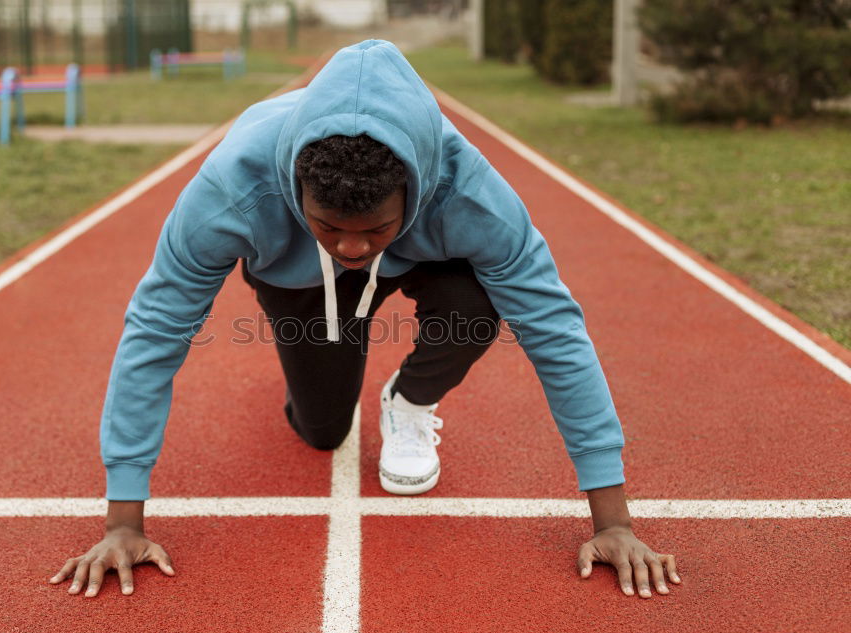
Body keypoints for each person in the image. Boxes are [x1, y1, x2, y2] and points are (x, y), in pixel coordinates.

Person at [49, 39, 681, 600]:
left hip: (426, 258)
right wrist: (123, 524)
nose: (351, 249)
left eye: (373, 228)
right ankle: (312, 337)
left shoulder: (470, 195)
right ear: (297, 191)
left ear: (416, 190)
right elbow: (155, 329)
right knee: (323, 430)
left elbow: (554, 327)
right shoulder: (231, 192)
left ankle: (410, 399)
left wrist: (613, 521)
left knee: (478, 301)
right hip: (295, 277)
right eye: (330, 226)